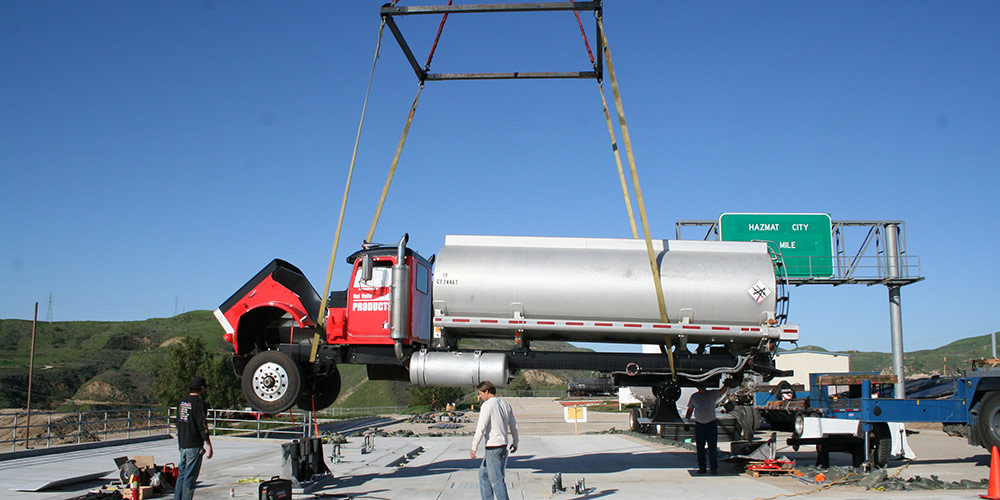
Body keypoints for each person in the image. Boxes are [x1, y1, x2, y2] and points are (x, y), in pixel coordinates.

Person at [470, 381, 519, 500]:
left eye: (480, 393)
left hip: (493, 448)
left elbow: (481, 428)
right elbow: (513, 425)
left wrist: (474, 447)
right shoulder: (505, 404)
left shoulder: (487, 405)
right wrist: (515, 442)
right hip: (502, 447)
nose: (480, 396)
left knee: (497, 480)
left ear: (487, 391)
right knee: (484, 474)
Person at [175, 376, 213, 500]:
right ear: (201, 388)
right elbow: (202, 425)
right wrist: (208, 444)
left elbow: (179, 422)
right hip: (194, 444)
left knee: (181, 475)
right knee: (190, 477)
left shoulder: (182, 402)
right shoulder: (199, 404)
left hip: (183, 443)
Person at [684, 379, 730, 474]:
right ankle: (702, 467)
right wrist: (686, 422)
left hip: (711, 425)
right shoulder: (694, 397)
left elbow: (722, 391)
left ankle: (713, 468)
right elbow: (690, 410)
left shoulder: (711, 394)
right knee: (700, 449)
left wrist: (726, 384)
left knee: (712, 448)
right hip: (699, 425)